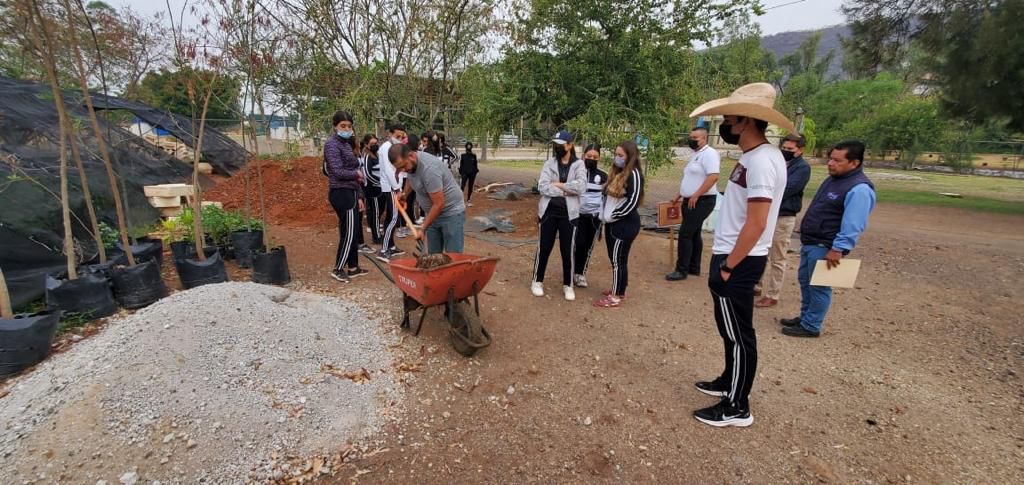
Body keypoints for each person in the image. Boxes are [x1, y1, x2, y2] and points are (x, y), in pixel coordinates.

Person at [688, 82, 792, 427]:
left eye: (729, 119)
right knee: (729, 329)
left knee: (738, 334)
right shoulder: (753, 157)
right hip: (732, 254)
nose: (725, 125)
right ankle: (728, 381)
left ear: (746, 121)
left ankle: (737, 406)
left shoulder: (762, 161)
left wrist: (730, 265)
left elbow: (757, 221)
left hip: (740, 259)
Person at [780, 140, 876, 337]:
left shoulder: (859, 189)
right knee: (806, 282)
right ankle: (805, 317)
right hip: (811, 241)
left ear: (854, 163)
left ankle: (811, 325)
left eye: (837, 160)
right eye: (831, 158)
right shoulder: (834, 179)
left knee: (819, 286)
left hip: (826, 245)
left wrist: (838, 249)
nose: (831, 163)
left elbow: (854, 224)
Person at [755, 133, 812, 307]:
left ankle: (773, 294)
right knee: (761, 251)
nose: (786, 151)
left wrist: (765, 190)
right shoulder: (779, 163)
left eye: (790, 149)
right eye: (784, 147)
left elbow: (786, 189)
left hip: (783, 216)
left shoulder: (802, 168)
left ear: (800, 150)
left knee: (777, 256)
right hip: (769, 213)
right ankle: (756, 284)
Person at [531, 130, 586, 301]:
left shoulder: (579, 165)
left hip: (570, 215)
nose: (557, 147)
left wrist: (559, 184)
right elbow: (542, 186)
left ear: (569, 145)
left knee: (567, 250)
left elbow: (581, 187)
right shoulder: (549, 163)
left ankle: (568, 285)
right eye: (555, 144)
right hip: (548, 212)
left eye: (560, 144)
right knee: (544, 248)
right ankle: (537, 281)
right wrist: (566, 190)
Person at [390, 142, 466, 254]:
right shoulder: (411, 165)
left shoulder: (429, 170)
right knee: (433, 256)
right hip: (432, 215)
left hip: (451, 214)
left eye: (403, 166)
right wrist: (404, 194)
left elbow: (439, 204)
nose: (403, 170)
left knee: (453, 256)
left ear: (411, 155)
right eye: (399, 168)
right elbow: (411, 177)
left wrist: (423, 228)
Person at [593, 141, 644, 308]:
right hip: (613, 224)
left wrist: (615, 215)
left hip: (623, 225)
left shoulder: (634, 174)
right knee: (618, 259)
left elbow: (633, 201)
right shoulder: (618, 172)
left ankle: (614, 297)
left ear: (630, 156)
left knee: (617, 261)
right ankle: (620, 289)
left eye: (621, 155)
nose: (617, 158)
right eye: (616, 154)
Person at [666, 126, 720, 281]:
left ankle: (681, 269)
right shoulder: (696, 154)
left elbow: (713, 176)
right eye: (691, 137)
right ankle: (693, 267)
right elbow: (690, 179)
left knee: (685, 233)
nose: (692, 140)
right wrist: (679, 195)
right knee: (694, 233)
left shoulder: (710, 154)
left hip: (702, 200)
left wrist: (697, 194)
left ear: (705, 138)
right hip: (690, 199)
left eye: (695, 138)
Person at [323, 111, 369, 282]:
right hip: (341, 192)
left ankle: (353, 267)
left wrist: (359, 195)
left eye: (349, 126)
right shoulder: (331, 144)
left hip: (351, 192)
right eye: (343, 126)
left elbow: (352, 170)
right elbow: (336, 171)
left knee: (352, 230)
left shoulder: (345, 144)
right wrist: (357, 173)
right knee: (349, 233)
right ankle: (338, 268)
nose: (347, 129)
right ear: (335, 126)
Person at [572, 143, 607, 288]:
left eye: (595, 157)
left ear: (599, 158)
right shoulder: (575, 172)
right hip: (577, 215)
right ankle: (572, 271)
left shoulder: (603, 176)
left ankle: (581, 274)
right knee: (578, 243)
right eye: (589, 156)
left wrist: (602, 217)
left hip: (594, 218)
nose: (591, 159)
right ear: (583, 156)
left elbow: (605, 197)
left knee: (588, 246)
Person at [376, 122, 408, 261]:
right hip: (390, 188)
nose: (399, 139)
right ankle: (383, 250)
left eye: (401, 137)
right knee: (393, 218)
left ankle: (391, 246)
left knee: (391, 217)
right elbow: (389, 171)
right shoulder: (387, 147)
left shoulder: (394, 147)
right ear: (390, 134)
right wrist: (397, 189)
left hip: (394, 186)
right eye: (397, 136)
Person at [359, 134, 385, 252]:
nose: (375, 145)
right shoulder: (367, 157)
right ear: (366, 145)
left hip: (379, 188)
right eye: (372, 144)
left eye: (376, 143)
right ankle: (376, 236)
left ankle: (377, 233)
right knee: (375, 212)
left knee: (379, 210)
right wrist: (379, 183)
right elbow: (367, 174)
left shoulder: (376, 155)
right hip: (372, 189)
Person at [459, 142, 479, 206]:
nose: (469, 147)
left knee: (470, 186)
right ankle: (460, 200)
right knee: (462, 186)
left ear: (471, 147)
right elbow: (461, 165)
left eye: (470, 146)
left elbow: (475, 165)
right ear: (466, 147)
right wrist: (461, 172)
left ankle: (468, 200)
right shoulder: (463, 155)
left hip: (472, 173)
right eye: (468, 146)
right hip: (464, 173)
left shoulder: (474, 156)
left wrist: (475, 171)